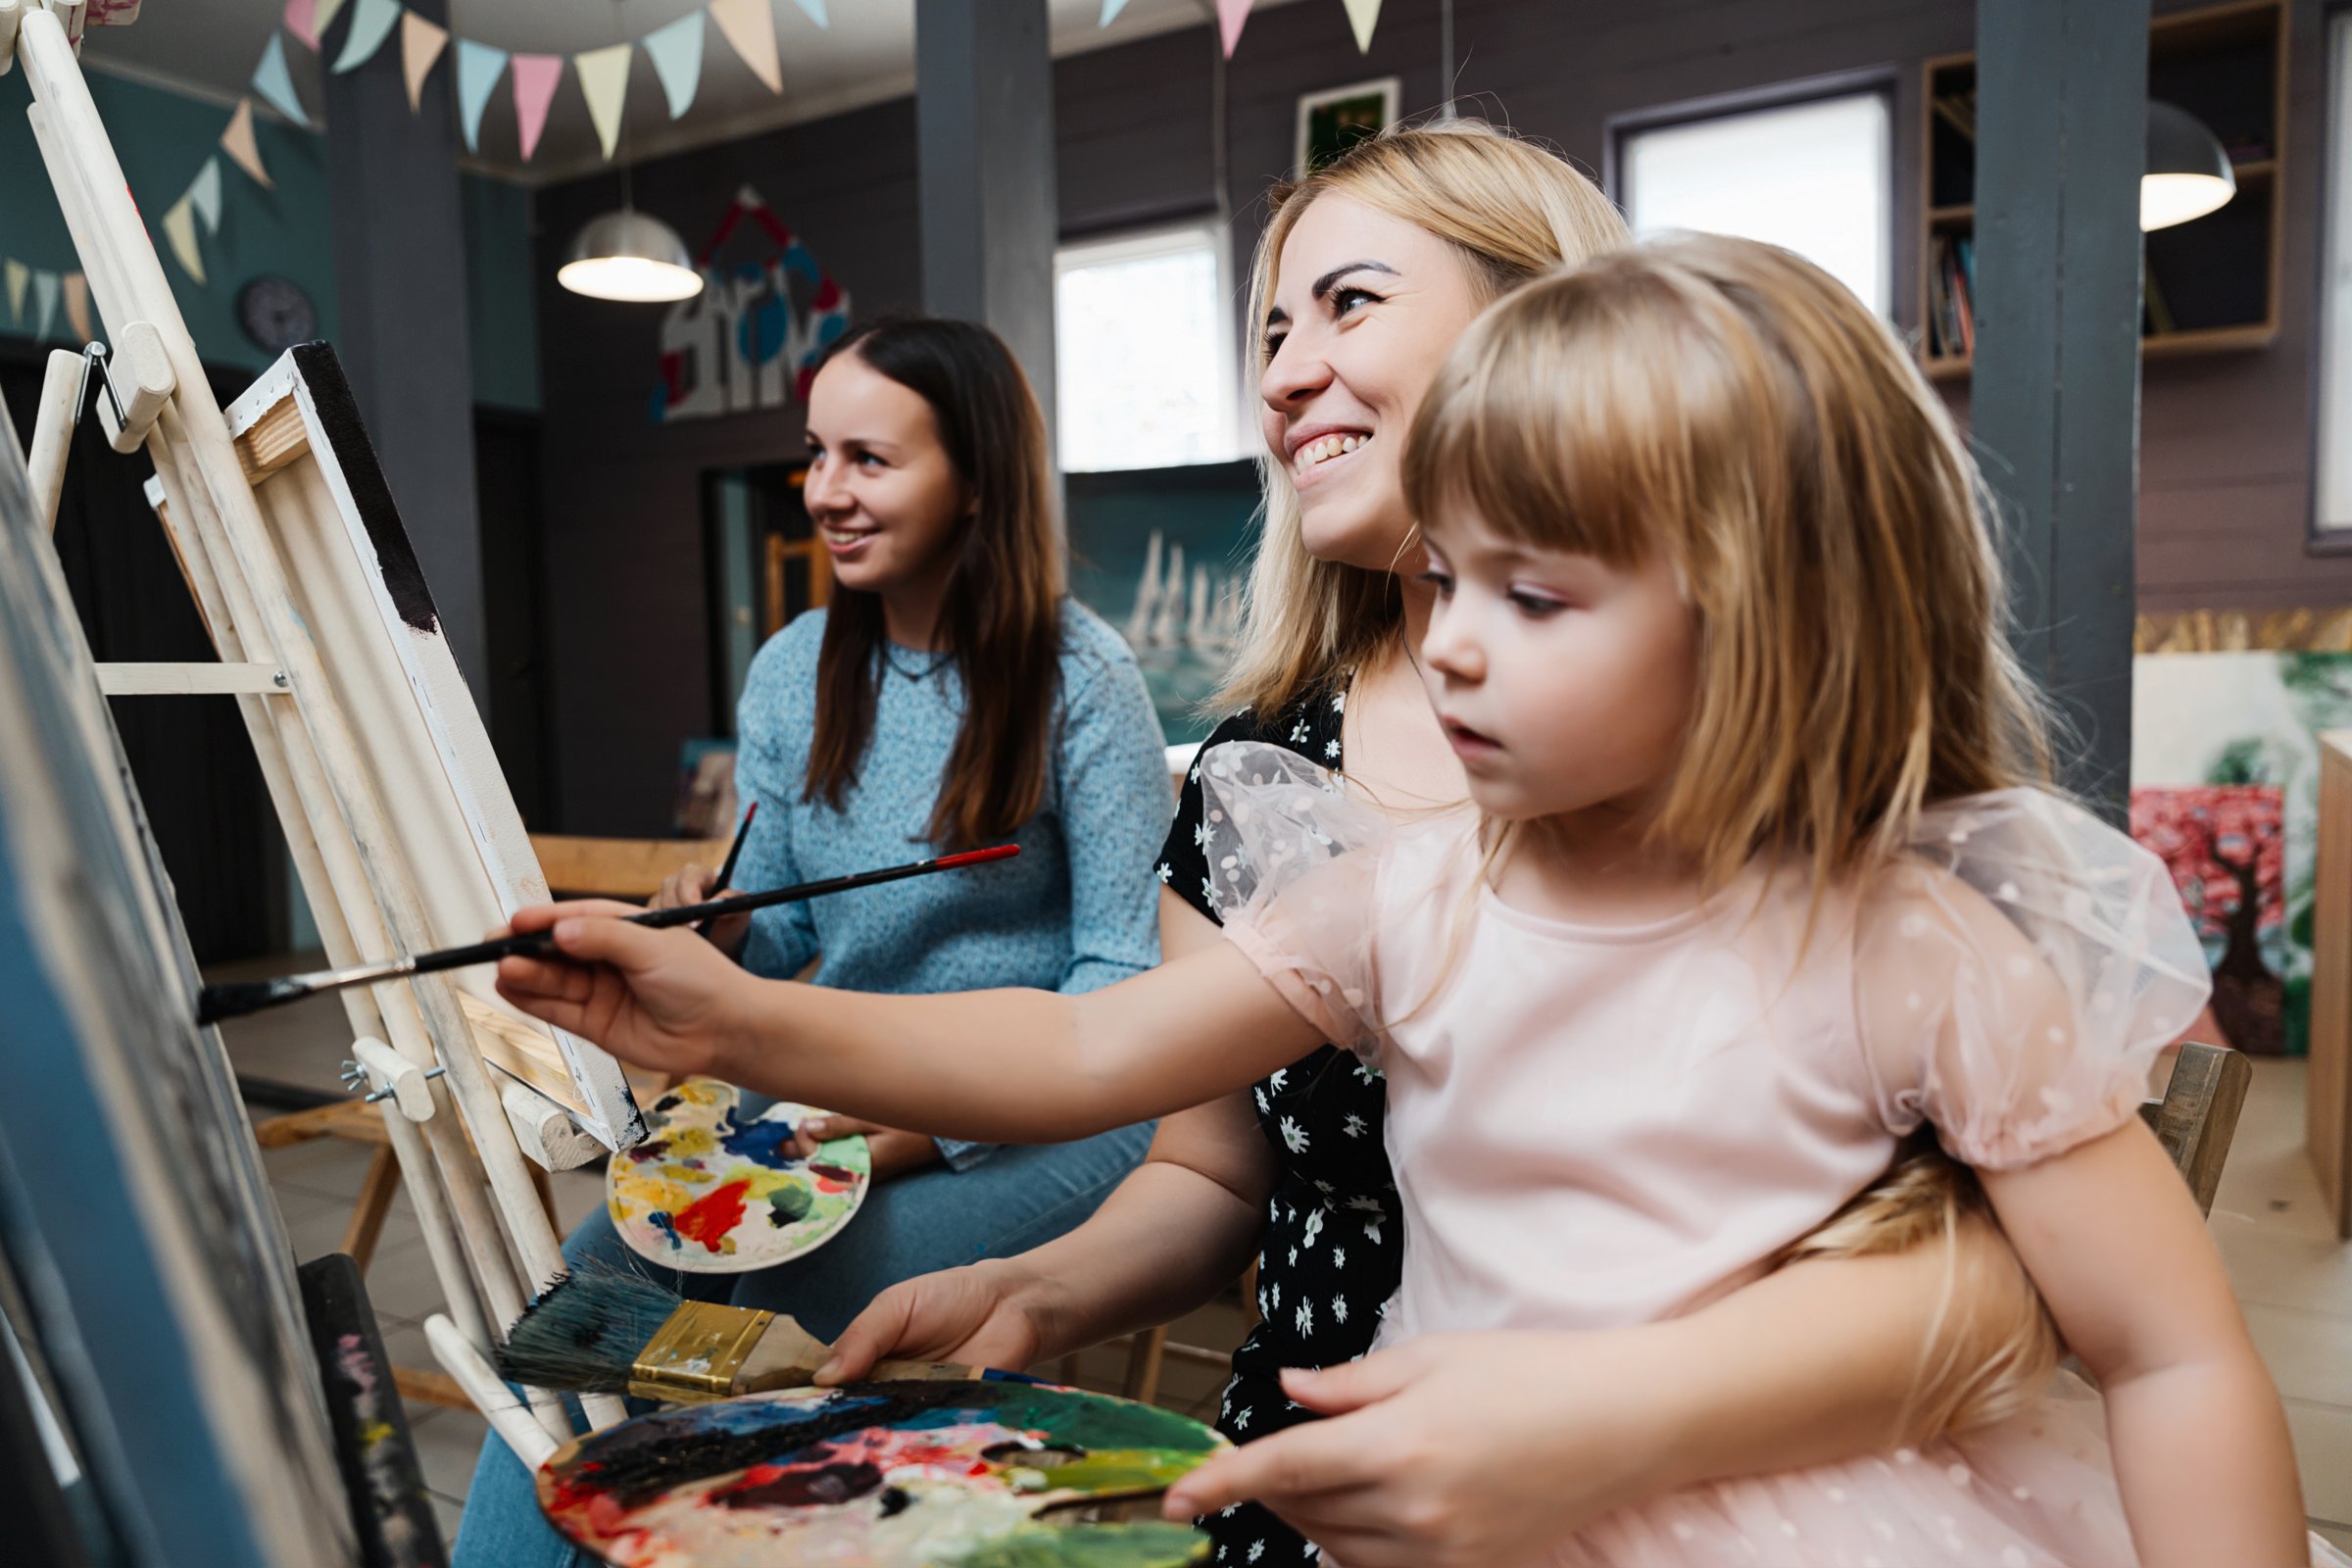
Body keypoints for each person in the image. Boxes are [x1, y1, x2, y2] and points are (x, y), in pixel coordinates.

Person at [498, 235, 2342, 1567]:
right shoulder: (1418, 894)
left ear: (1779, 616)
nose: (1449, 644)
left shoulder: (1916, 947)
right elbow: (1092, 1043)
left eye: (1532, 599)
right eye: (1445, 577)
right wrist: (738, 1018)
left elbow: (2165, 1346)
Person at [452, 316, 1172, 1567]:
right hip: (828, 1102)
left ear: (979, 481)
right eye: (817, 453)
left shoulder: (1083, 677)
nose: (824, 489)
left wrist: (897, 1138)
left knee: (790, 1300)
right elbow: (781, 931)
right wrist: (714, 920)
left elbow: (1122, 981)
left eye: (869, 460)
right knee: (591, 1298)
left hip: (1052, 1111)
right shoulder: (794, 668)